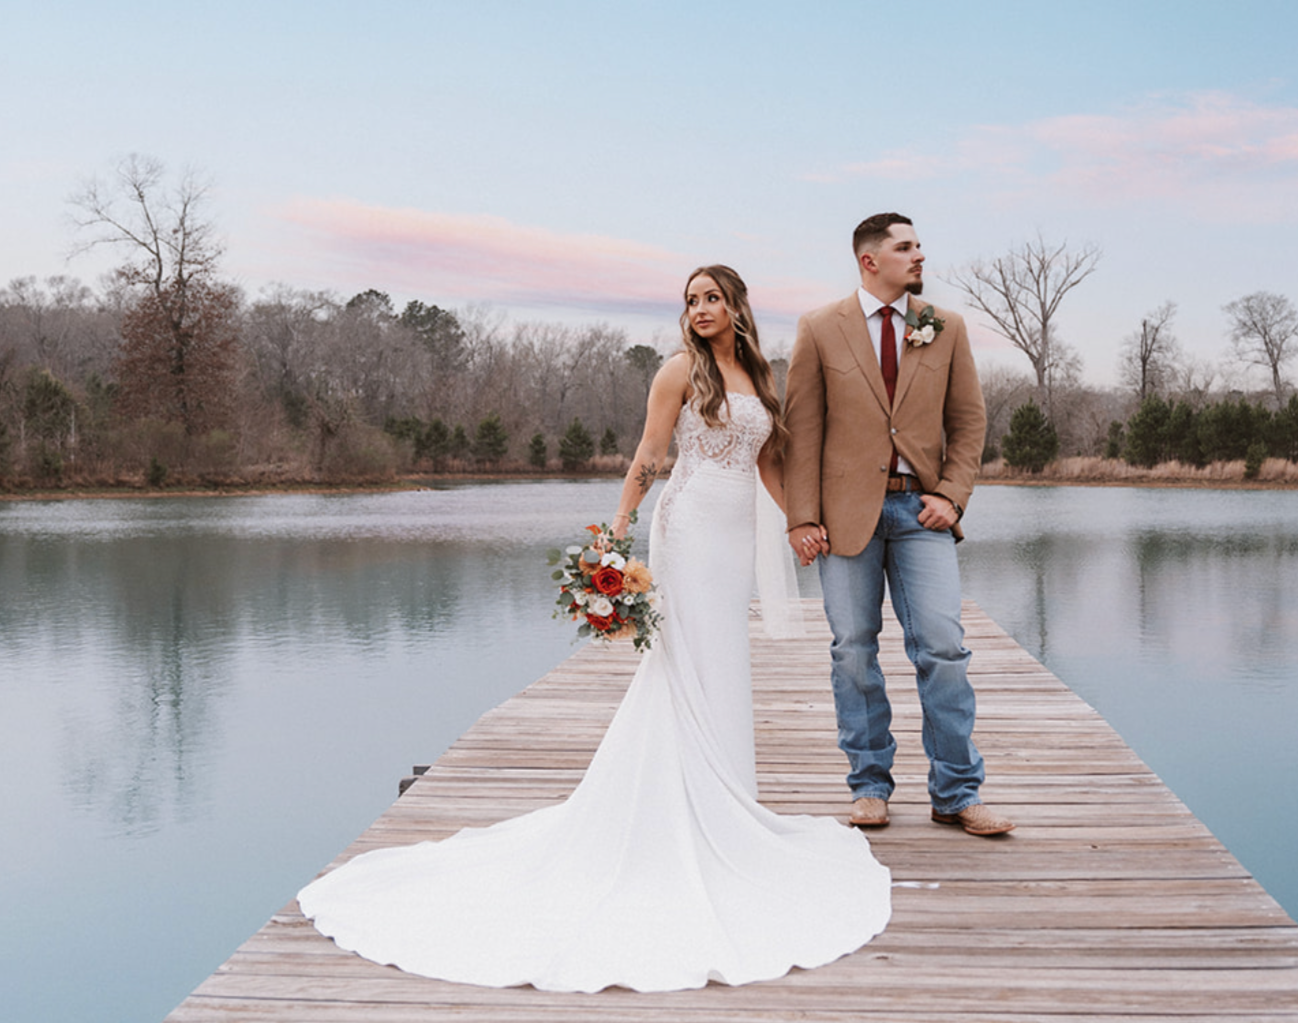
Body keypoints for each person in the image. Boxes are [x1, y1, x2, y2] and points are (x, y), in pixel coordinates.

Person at [297, 265, 890, 992]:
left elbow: (769, 459)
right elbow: (648, 458)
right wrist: (615, 537)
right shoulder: (680, 371)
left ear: (736, 305)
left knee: (723, 660)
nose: (700, 309)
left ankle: (729, 802)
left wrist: (801, 520)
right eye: (692, 300)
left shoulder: (761, 377)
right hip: (692, 523)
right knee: (688, 655)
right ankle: (684, 815)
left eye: (712, 298)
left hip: (737, 531)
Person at [784, 213, 1013, 836]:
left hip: (922, 512)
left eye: (919, 245)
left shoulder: (945, 326)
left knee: (943, 647)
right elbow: (801, 432)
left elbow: (969, 423)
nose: (919, 256)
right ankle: (869, 787)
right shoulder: (819, 329)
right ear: (869, 260)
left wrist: (953, 497)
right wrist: (801, 517)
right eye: (905, 247)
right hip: (843, 518)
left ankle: (957, 792)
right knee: (853, 652)